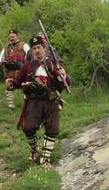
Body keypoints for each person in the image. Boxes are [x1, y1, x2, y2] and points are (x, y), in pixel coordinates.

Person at [6, 36, 70, 169]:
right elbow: (17, 82)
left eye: (39, 47)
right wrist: (11, 83)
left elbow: (66, 83)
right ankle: (34, 150)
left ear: (44, 48)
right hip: (34, 102)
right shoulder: (28, 66)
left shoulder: (54, 64)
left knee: (52, 130)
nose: (37, 51)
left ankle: (45, 159)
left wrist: (60, 73)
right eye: (34, 48)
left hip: (51, 101)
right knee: (28, 128)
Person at [0, 29, 30, 109]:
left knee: (24, 86)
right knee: (9, 85)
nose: (11, 38)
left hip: (20, 69)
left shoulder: (23, 44)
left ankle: (26, 103)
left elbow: (29, 54)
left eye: (13, 36)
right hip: (9, 70)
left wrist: (27, 65)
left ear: (17, 36)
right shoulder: (6, 47)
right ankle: (11, 105)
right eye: (10, 37)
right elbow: (2, 56)